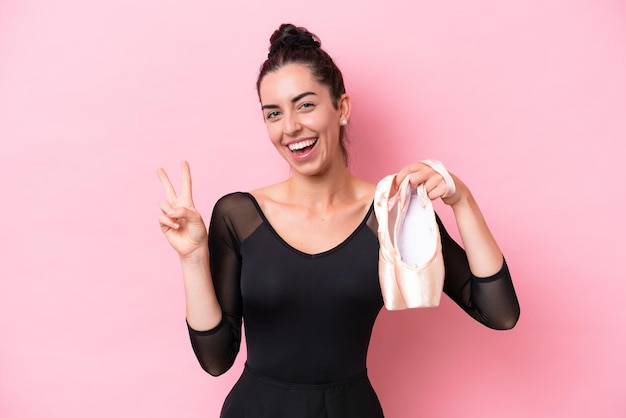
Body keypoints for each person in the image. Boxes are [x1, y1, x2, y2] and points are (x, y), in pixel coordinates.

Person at [157, 23, 520, 418]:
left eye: (306, 104)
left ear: (341, 108)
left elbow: (499, 312)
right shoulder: (238, 216)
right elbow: (216, 359)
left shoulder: (391, 212)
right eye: (273, 113)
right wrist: (192, 256)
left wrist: (461, 200)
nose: (290, 127)